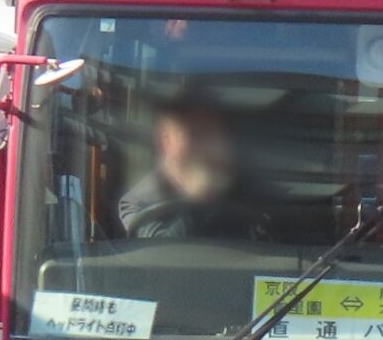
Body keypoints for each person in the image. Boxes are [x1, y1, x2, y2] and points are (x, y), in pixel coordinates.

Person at [117, 97, 274, 240]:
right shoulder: (137, 202)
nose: (210, 145)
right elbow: (161, 253)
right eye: (197, 134)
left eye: (214, 134)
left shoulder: (247, 189)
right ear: (167, 142)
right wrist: (198, 199)